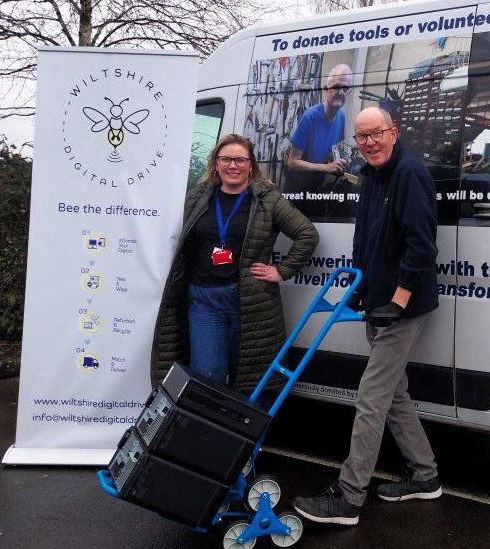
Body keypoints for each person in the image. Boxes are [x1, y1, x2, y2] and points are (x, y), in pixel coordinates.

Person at [292, 107, 440, 525]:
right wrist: (360, 289)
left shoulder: (410, 174)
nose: (370, 142)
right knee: (394, 395)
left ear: (393, 132)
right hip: (376, 299)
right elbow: (366, 239)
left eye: (376, 133)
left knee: (371, 399)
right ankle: (426, 476)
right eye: (362, 136)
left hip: (401, 308)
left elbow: (422, 245)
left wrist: (399, 299)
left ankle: (348, 497)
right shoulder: (371, 176)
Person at [150, 133, 319, 391]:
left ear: (250, 164)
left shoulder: (267, 199)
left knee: (250, 385)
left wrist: (282, 271)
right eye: (226, 159)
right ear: (216, 163)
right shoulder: (199, 197)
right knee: (206, 381)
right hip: (204, 302)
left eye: (240, 160)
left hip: (249, 302)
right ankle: (209, 432)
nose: (233, 165)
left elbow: (307, 234)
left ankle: (243, 432)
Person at [283, 64, 353, 204]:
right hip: (297, 189)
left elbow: (333, 148)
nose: (341, 92)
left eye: (345, 88)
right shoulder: (311, 116)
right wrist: (325, 168)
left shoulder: (342, 116)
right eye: (337, 87)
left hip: (318, 187)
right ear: (326, 88)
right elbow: (292, 162)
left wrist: (338, 162)